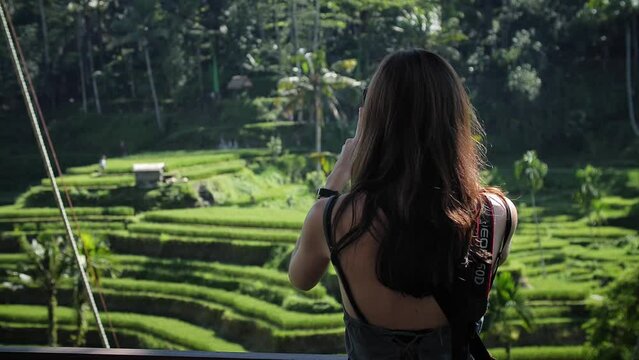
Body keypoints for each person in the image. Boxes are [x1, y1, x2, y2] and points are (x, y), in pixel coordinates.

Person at [288, 49, 518, 359]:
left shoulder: (332, 218)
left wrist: (335, 180)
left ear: (372, 123)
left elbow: (300, 279)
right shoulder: (497, 213)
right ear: (455, 119)